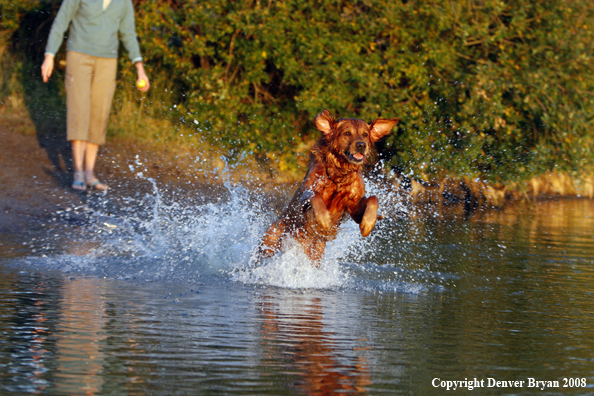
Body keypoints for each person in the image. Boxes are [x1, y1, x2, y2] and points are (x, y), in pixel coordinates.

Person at [41, 0, 150, 191]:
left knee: (99, 113)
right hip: (79, 56)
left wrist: (140, 68)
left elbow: (128, 34)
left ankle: (90, 173)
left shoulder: (123, 2)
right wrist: (50, 55)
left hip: (108, 61)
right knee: (79, 110)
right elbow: (61, 21)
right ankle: (78, 171)